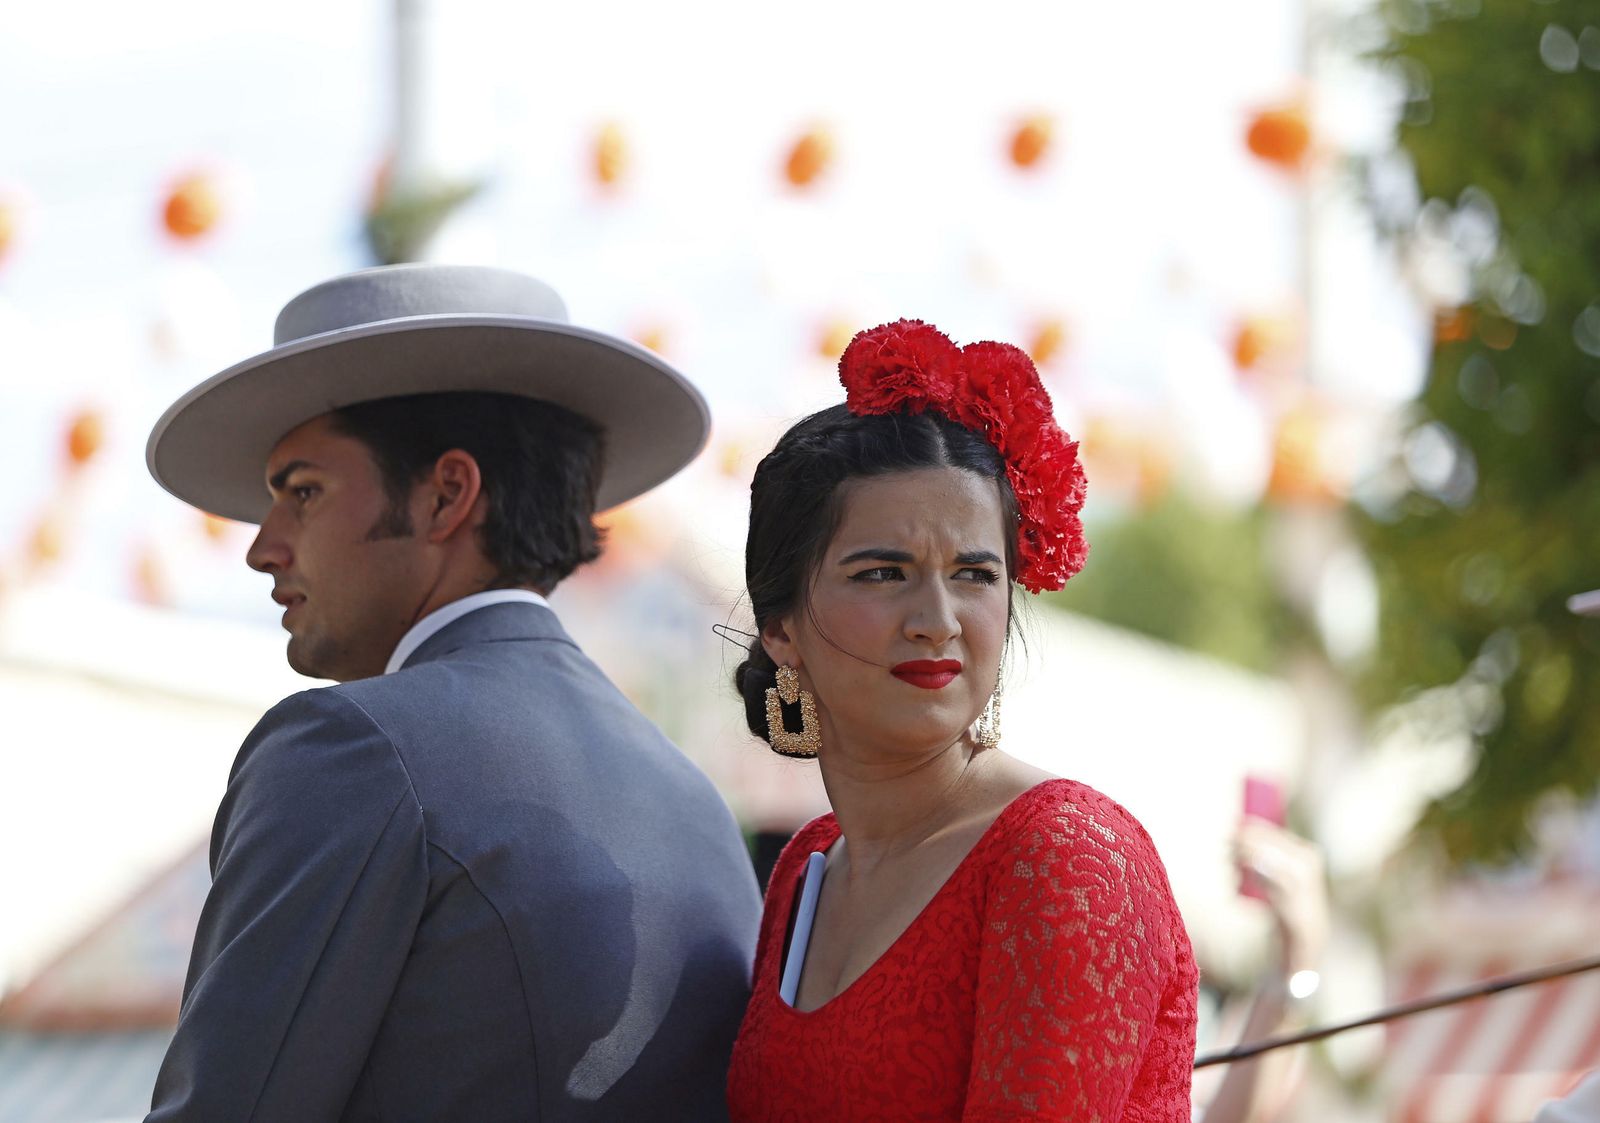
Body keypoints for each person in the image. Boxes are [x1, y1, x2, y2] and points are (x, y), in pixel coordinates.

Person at [142, 264, 762, 1121]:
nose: (264, 547)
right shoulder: (690, 792)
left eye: (304, 493)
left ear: (446, 495)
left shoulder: (352, 745)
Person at [724, 320, 1199, 1120]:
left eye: (974, 573)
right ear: (781, 629)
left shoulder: (1063, 854)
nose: (936, 618)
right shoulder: (809, 869)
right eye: (883, 572)